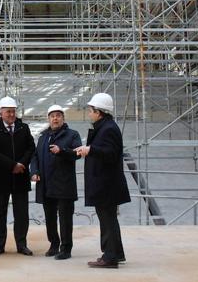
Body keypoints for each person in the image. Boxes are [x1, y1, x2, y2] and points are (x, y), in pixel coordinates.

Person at [75, 93, 130, 269]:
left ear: (99, 112)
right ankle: (115, 253)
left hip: (107, 185)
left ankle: (110, 257)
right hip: (105, 184)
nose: (89, 113)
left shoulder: (108, 129)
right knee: (108, 220)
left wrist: (90, 149)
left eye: (91, 110)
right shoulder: (105, 127)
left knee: (108, 221)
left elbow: (111, 154)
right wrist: (90, 149)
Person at [30, 105, 82, 260]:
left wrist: (62, 151)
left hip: (64, 184)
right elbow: (35, 157)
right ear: (48, 119)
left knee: (65, 218)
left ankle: (66, 248)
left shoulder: (72, 135)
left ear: (63, 118)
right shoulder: (43, 137)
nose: (55, 118)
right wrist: (34, 172)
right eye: (52, 116)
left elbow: (78, 153)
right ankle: (53, 244)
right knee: (50, 217)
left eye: (58, 115)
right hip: (46, 183)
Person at [0, 96, 36, 256]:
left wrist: (21, 164)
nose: (11, 115)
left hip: (20, 176)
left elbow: (31, 148)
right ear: (1, 112)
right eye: (8, 112)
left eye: (13, 111)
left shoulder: (24, 128)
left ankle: (21, 244)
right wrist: (12, 165)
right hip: (1, 178)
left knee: (22, 214)